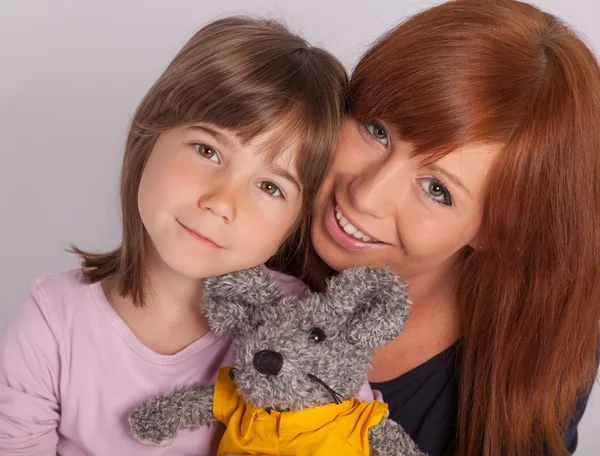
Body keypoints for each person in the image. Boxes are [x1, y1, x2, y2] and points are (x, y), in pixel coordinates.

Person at [0, 17, 347, 455]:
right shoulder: (49, 326)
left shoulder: (306, 329)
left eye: (269, 186)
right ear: (149, 135)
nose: (222, 201)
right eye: (208, 150)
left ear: (295, 221)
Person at [299, 1, 600, 455]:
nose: (367, 196)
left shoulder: (535, 357)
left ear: (497, 231)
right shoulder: (240, 228)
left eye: (437, 189)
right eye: (377, 130)